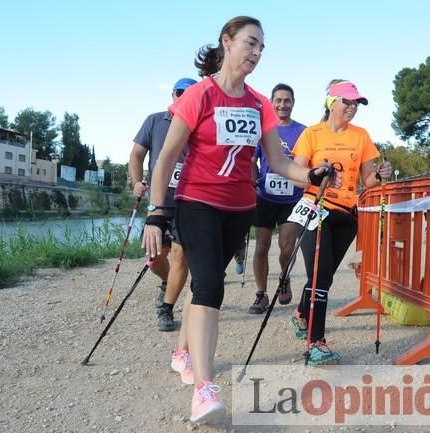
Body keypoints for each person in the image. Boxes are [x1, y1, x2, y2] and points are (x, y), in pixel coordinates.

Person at [141, 16, 331, 423]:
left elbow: (278, 161)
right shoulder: (200, 96)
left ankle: (181, 352)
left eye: (262, 48)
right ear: (226, 43)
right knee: (211, 286)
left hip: (239, 208)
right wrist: (157, 213)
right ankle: (204, 390)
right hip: (196, 203)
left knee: (204, 285)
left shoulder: (260, 103)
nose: (256, 53)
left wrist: (310, 175)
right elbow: (166, 158)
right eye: (250, 43)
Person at [290, 80, 392, 365]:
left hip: (347, 216)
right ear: (331, 102)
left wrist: (381, 174)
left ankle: (301, 314)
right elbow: (295, 173)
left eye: (356, 103)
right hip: (315, 209)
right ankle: (315, 342)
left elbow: (368, 181)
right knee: (321, 277)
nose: (352, 107)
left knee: (324, 276)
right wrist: (315, 173)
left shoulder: (361, 136)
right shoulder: (312, 134)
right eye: (347, 101)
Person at [129, 77, 197, 331]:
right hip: (158, 203)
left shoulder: (199, 125)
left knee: (180, 256)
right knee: (154, 257)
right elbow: (136, 154)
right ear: (172, 95)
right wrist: (136, 182)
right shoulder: (155, 120)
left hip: (188, 202)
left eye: (190, 94)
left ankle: (166, 308)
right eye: (180, 92)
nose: (184, 97)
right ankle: (169, 284)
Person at [249, 83, 306, 314]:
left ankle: (285, 277)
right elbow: (252, 161)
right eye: (278, 100)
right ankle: (261, 294)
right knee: (261, 247)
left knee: (286, 248)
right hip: (264, 197)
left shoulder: (303, 131)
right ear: (271, 103)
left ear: (293, 103)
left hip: (292, 198)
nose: (283, 104)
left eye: (287, 100)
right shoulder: (262, 130)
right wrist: (251, 181)